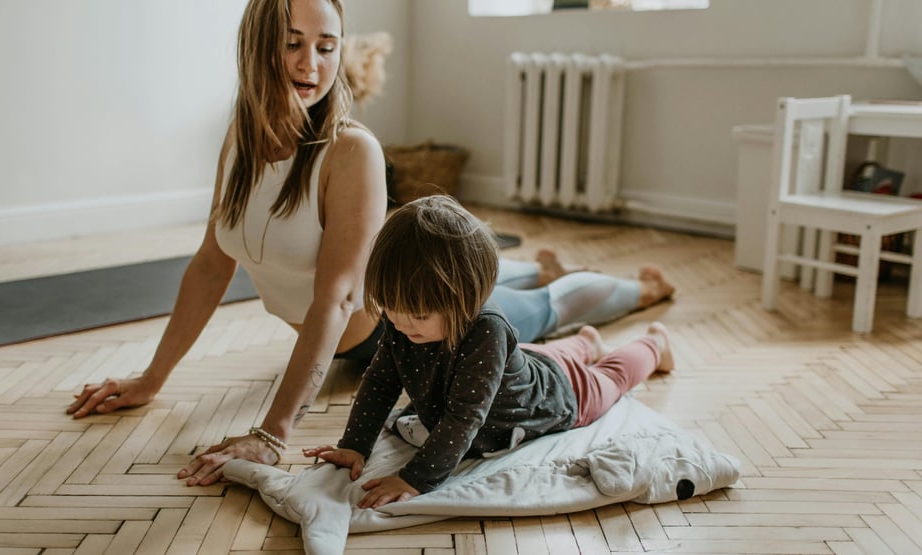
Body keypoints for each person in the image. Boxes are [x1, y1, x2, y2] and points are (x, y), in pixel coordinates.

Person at [65, 0, 674, 486]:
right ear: (256, 45)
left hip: (403, 327)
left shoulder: (350, 150)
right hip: (397, 303)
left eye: (326, 47)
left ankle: (637, 290)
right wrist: (151, 380)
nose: (311, 64)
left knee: (546, 311)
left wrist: (275, 433)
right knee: (496, 279)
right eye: (293, 42)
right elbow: (208, 266)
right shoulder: (239, 142)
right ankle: (529, 269)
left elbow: (334, 301)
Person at [303, 195, 674, 508]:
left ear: (465, 299)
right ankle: (587, 341)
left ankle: (654, 344)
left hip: (559, 394)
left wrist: (414, 478)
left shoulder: (487, 331)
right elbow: (381, 381)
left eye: (417, 315)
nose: (400, 324)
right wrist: (354, 445)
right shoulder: (404, 322)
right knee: (544, 356)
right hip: (525, 363)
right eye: (391, 310)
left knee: (611, 377)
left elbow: (464, 418)